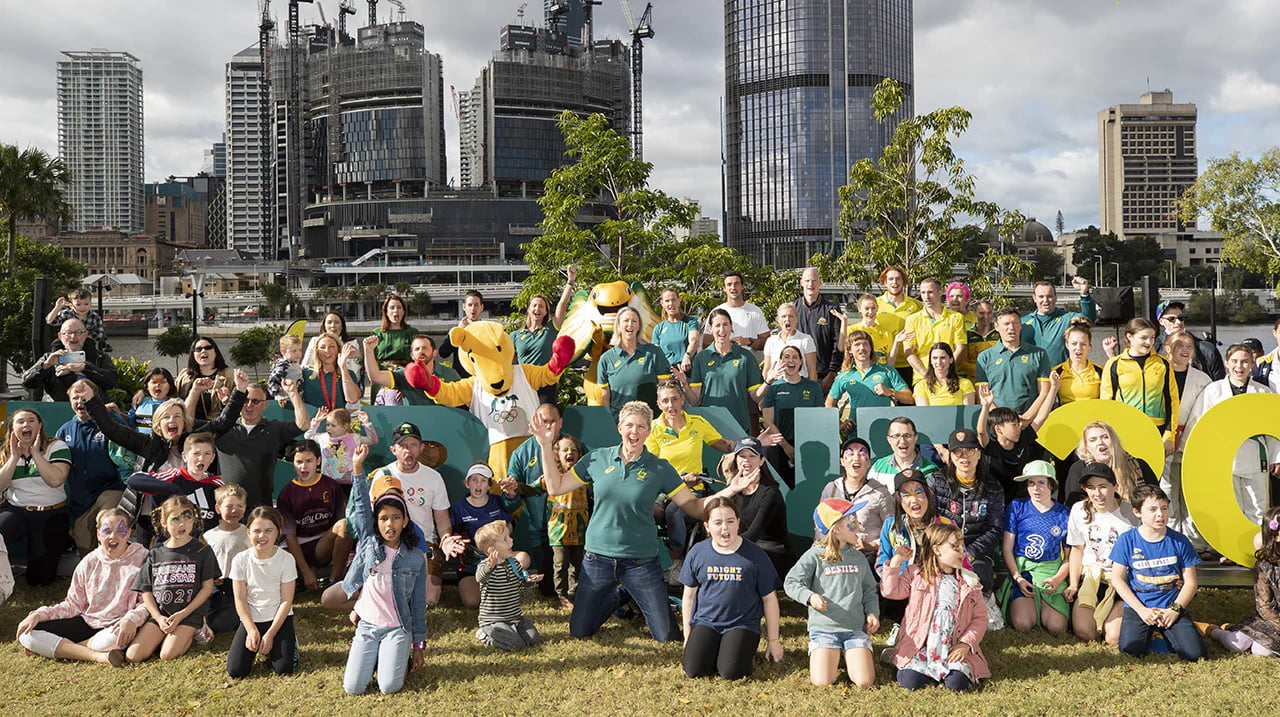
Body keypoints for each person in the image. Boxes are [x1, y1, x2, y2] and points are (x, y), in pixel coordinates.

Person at [530, 400, 753, 642]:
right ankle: (622, 595)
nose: (634, 431)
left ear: (648, 431)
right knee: (580, 631)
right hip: (597, 560)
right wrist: (545, 445)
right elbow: (556, 486)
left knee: (667, 636)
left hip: (641, 562)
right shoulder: (597, 459)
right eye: (629, 425)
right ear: (619, 428)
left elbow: (695, 507)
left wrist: (731, 490)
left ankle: (630, 590)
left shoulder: (660, 468)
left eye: (641, 426)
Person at [15, 507, 146, 666]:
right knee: (28, 634)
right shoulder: (88, 562)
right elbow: (72, 604)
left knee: (115, 638)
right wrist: (39, 615)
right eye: (107, 531)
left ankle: (65, 648)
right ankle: (98, 656)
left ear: (129, 532)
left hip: (118, 625)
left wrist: (131, 619)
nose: (113, 536)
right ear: (98, 534)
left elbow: (147, 603)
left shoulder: (143, 558)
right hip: (88, 621)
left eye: (121, 531)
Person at [340, 471, 426, 695]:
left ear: (405, 520)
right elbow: (361, 507)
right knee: (353, 688)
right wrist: (357, 470)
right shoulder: (370, 544)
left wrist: (418, 646)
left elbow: (418, 605)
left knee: (389, 687)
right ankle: (379, 656)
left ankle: (394, 656)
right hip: (368, 625)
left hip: (397, 628)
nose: (390, 524)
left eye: (396, 517)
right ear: (376, 522)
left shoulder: (416, 558)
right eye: (384, 518)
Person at [680, 497, 783, 680]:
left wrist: (773, 641)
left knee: (731, 672)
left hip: (741, 623)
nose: (725, 528)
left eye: (730, 521)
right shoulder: (698, 552)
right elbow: (689, 597)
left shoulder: (755, 555)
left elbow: (769, 599)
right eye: (718, 523)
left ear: (738, 523)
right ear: (707, 526)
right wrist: (688, 636)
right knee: (694, 670)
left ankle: (735, 651)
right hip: (707, 622)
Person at [881, 523, 989, 691]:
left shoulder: (970, 581)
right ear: (937, 550)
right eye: (955, 546)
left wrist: (965, 644)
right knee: (911, 682)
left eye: (962, 546)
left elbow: (980, 618)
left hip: (952, 647)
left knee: (957, 684)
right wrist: (896, 562)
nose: (962, 551)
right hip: (919, 647)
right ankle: (897, 657)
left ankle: (949, 671)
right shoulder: (915, 573)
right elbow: (890, 591)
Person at [784, 498, 879, 688]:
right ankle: (833, 653)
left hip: (854, 629)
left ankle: (847, 654)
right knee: (823, 681)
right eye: (851, 521)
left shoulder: (859, 558)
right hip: (824, 630)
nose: (858, 524)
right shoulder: (814, 555)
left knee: (864, 681)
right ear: (835, 528)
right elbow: (791, 582)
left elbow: (869, 590)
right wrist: (810, 597)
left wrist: (872, 613)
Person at [1183, 343, 1280, 529]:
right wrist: (1192, 456)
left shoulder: (1262, 392)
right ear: (1226, 363)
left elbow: (1273, 427)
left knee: (1258, 508)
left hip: (1255, 457)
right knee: (1228, 508)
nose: (1239, 366)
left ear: (1252, 364)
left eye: (1245, 361)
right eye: (1234, 361)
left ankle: (1258, 545)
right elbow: (1197, 424)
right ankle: (1230, 546)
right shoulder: (1213, 391)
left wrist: (1276, 457)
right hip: (1224, 458)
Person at [360, 422, 456, 607]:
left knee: (429, 599)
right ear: (394, 450)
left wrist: (446, 539)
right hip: (392, 543)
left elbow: (442, 519)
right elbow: (374, 518)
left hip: (424, 543)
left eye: (413, 445)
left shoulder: (433, 477)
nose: (408, 450)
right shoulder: (382, 475)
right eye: (403, 445)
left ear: (421, 448)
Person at [647, 380, 734, 578]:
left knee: (674, 511)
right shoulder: (653, 429)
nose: (671, 405)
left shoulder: (697, 423)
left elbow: (723, 444)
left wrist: (749, 444)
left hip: (694, 490)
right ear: (659, 404)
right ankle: (643, 563)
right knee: (648, 512)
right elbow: (653, 467)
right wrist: (680, 479)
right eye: (665, 401)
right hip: (663, 489)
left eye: (674, 399)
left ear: (682, 400)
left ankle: (677, 564)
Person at [87, 369, 248, 475]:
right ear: (157, 424)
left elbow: (222, 423)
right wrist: (90, 399)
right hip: (152, 511)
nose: (172, 420)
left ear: (184, 421)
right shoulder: (147, 443)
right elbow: (112, 430)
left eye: (177, 416)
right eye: (166, 417)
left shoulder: (194, 439)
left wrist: (240, 390)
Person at [1111, 483, 1206, 661]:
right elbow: (1117, 579)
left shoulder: (1179, 541)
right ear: (1137, 512)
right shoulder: (1127, 540)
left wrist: (1174, 610)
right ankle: (1157, 634)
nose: (1160, 514)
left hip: (1171, 605)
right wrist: (1141, 610)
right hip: (1140, 606)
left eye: (1164, 508)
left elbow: (1191, 583)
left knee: (1195, 655)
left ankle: (1176, 631)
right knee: (1131, 651)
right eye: (1152, 509)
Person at [130, 495, 220, 662]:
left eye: (187, 517)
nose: (181, 524)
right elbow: (146, 591)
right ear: (164, 522)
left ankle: (199, 629)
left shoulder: (203, 551)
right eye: (175, 519)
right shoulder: (155, 553)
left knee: (167, 655)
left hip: (189, 614)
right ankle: (165, 635)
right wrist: (158, 617)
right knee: (133, 656)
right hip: (163, 614)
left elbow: (207, 588)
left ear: (194, 519)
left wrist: (182, 614)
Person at [1063, 462, 1138, 644]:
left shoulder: (1131, 513)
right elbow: (1077, 549)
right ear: (1085, 489)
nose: (1097, 493)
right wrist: (1073, 584)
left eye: (1103, 486)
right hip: (1091, 576)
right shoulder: (1079, 509)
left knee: (1113, 637)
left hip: (1121, 578)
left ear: (1115, 486)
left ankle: (1116, 615)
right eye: (1091, 487)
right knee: (1085, 633)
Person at [0, 408, 72, 586]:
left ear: (39, 426)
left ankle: (65, 541)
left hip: (50, 512)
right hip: (16, 511)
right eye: (20, 421)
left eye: (31, 420)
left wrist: (36, 454)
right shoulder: (6, 452)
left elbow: (55, 480)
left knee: (39, 579)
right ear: (12, 429)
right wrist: (14, 457)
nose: (26, 424)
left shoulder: (56, 446)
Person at [996, 460, 1070, 634]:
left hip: (1051, 571)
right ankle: (1022, 600)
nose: (1036, 488)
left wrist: (1057, 579)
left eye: (1041, 483)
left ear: (1052, 484)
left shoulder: (1064, 514)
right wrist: (1018, 578)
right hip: (1023, 571)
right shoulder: (1017, 507)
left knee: (1057, 627)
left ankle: (1045, 604)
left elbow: (1069, 557)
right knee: (1023, 624)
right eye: (1031, 483)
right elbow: (1007, 548)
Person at [927, 429, 1004, 592]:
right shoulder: (936, 482)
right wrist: (949, 550)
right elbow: (929, 522)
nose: (964, 456)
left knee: (980, 577)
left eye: (970, 450)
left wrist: (970, 552)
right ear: (951, 455)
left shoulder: (993, 487)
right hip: (942, 551)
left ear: (979, 453)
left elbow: (995, 529)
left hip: (976, 553)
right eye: (958, 452)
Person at [226, 505, 298, 678]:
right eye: (257, 531)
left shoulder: (286, 559)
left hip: (278, 619)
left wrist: (271, 634)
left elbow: (286, 601)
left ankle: (290, 642)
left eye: (268, 530)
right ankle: (258, 642)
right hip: (252, 618)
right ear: (248, 532)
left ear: (278, 532)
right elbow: (240, 599)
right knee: (236, 671)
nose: (262, 536)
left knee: (284, 669)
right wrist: (251, 630)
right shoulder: (240, 560)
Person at [216, 379, 309, 510]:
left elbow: (303, 425)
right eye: (245, 400)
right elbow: (190, 428)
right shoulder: (223, 429)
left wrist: (293, 393)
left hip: (261, 508)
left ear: (265, 404)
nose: (249, 405)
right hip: (228, 508)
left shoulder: (273, 429)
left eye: (255, 401)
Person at [59, 378, 127, 554]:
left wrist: (111, 415)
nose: (80, 401)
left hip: (110, 488)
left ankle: (113, 568)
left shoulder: (109, 422)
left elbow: (128, 444)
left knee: (108, 526)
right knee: (85, 547)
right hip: (81, 498)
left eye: (84, 397)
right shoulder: (65, 430)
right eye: (75, 398)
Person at [1161, 329, 1214, 548]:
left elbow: (1209, 412)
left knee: (1191, 492)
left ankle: (1195, 542)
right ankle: (1171, 539)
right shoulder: (1158, 374)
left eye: (1189, 346)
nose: (1185, 350)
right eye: (1180, 345)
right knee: (1167, 491)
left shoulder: (1203, 379)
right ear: (1168, 348)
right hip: (1164, 440)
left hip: (1192, 440)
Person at [1205, 506, 1280, 657]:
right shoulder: (1265, 566)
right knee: (1238, 644)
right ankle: (1214, 631)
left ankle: (1237, 630)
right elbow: (1265, 605)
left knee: (1262, 651)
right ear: (1276, 535)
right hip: (1272, 620)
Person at [278, 440, 351, 590]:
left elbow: (343, 523)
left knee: (346, 525)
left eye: (309, 461)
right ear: (293, 463)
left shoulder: (331, 485)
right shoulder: (287, 493)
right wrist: (306, 572)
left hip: (323, 544)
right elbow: (290, 536)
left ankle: (335, 580)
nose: (303, 466)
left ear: (318, 461)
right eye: (299, 462)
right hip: (298, 546)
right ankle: (301, 577)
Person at [679, 308, 765, 434]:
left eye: (725, 325)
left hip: (738, 425)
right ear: (710, 328)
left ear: (731, 327)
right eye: (717, 325)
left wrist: (768, 381)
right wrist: (684, 385)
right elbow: (694, 401)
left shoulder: (745, 357)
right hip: (709, 427)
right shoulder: (701, 358)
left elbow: (756, 396)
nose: (722, 330)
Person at [1101, 317, 1179, 454]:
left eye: (1152, 338)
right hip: (1124, 429)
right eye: (1143, 338)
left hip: (1156, 428)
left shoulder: (1163, 363)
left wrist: (1169, 434)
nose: (1149, 342)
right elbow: (1106, 403)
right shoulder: (1114, 364)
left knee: (1153, 468)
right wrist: (1108, 434)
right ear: (1129, 336)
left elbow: (1172, 400)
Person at [126, 431, 226, 536]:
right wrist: (173, 489)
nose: (201, 458)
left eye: (207, 454)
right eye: (196, 453)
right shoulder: (173, 476)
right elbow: (133, 480)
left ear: (212, 458)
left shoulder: (217, 484)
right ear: (184, 456)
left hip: (204, 542)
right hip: (171, 540)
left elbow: (224, 517)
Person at [718, 437, 790, 576]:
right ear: (736, 460)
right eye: (742, 456)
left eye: (752, 456)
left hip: (773, 553)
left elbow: (753, 534)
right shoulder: (733, 490)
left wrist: (723, 549)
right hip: (743, 547)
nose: (746, 460)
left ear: (761, 460)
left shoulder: (771, 493)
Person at [449, 462, 514, 609]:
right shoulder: (459, 507)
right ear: (467, 484)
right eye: (474, 480)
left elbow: (508, 527)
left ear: (489, 485)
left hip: (498, 560)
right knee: (472, 602)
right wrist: (460, 544)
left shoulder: (497, 501)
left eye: (483, 480)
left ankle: (499, 584)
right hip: (471, 565)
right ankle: (479, 585)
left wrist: (501, 543)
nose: (478, 484)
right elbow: (455, 534)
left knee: (523, 559)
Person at [818, 437, 893, 565]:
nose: (856, 458)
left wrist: (872, 545)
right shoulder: (831, 489)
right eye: (850, 453)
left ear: (869, 462)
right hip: (835, 556)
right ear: (842, 461)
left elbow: (892, 529)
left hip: (868, 558)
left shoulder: (881, 493)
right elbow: (820, 526)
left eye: (862, 453)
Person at [825, 330, 912, 437]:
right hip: (856, 434)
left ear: (871, 348)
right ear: (849, 350)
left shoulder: (887, 371)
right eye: (857, 345)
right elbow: (829, 404)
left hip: (884, 432)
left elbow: (909, 398)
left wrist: (891, 392)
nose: (862, 348)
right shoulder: (843, 376)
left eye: (865, 344)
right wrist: (840, 425)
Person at [473, 520, 543, 651]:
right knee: (515, 644)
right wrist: (490, 567)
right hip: (494, 621)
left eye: (509, 537)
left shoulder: (514, 564)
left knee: (534, 639)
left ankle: (513, 631)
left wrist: (529, 580)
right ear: (492, 550)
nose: (511, 540)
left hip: (515, 617)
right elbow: (480, 577)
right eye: (505, 539)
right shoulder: (485, 566)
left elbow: (519, 584)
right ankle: (484, 634)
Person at [759, 345, 823, 489]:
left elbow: (819, 418)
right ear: (781, 362)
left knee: (807, 488)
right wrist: (785, 446)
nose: (791, 360)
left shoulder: (813, 387)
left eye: (795, 357)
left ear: (801, 361)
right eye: (786, 357)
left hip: (807, 447)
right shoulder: (773, 388)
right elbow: (768, 422)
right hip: (780, 446)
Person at [976, 384, 1052, 500]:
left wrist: (1054, 388)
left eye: (1018, 424)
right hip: (995, 499)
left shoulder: (1022, 439)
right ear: (998, 429)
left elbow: (1042, 416)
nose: (1018, 428)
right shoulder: (991, 447)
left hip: (1020, 499)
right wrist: (986, 406)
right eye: (1014, 425)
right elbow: (981, 432)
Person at [975, 307, 1051, 420]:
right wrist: (1002, 419)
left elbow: (1044, 392)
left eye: (1015, 323)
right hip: (997, 423)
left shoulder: (1039, 354)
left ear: (1020, 326)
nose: (1011, 327)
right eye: (1006, 324)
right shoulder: (985, 357)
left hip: (1031, 422)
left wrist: (1026, 418)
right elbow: (982, 395)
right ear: (996, 327)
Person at [875, 468, 954, 575]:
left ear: (928, 494)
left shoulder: (946, 525)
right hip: (901, 582)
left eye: (918, 493)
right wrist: (895, 568)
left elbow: (962, 562)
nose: (914, 500)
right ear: (899, 500)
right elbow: (881, 565)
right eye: (906, 495)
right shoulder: (890, 525)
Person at [1060, 421, 1159, 506]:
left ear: (1114, 441)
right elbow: (1073, 505)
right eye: (1093, 440)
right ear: (1087, 447)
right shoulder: (1079, 469)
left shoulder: (1138, 466)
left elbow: (1157, 499)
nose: (1100, 442)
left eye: (1105, 437)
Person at [598, 305, 672, 416]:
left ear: (639, 326)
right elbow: (605, 396)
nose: (630, 324)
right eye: (626, 321)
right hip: (619, 421)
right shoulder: (606, 359)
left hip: (650, 421)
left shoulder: (654, 353)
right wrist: (607, 421)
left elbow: (665, 389)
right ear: (618, 326)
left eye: (634, 321)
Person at [22, 317, 118, 401]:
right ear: (60, 336)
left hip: (92, 409)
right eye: (68, 333)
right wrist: (45, 365)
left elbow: (111, 381)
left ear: (85, 335)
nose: (73, 337)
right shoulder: (50, 357)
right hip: (57, 408)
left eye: (78, 332)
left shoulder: (99, 357)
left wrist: (85, 368)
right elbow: (27, 382)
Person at [545, 435, 589, 610]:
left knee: (578, 565)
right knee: (560, 564)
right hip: (558, 531)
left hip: (580, 530)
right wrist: (515, 487)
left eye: (573, 450)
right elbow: (532, 487)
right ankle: (561, 596)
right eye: (565, 450)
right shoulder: (551, 477)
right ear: (557, 455)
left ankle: (574, 594)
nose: (570, 452)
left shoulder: (585, 478)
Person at [364, 333, 460, 406]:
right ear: (412, 355)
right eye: (417, 349)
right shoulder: (403, 375)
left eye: (425, 348)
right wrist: (368, 349)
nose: (421, 351)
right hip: (413, 425)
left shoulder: (450, 374)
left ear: (434, 352)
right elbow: (376, 377)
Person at [205, 483, 250, 634]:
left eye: (239, 506)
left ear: (245, 507)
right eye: (229, 506)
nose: (234, 511)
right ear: (218, 509)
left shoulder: (249, 534)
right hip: (215, 586)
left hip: (240, 586)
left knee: (222, 625)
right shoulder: (209, 536)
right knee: (210, 619)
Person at [1020, 277, 1095, 367]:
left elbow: (1088, 318)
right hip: (1031, 374)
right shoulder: (1023, 322)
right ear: (1034, 298)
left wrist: (1084, 294)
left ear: (1056, 297)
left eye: (1049, 296)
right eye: (1041, 297)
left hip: (1060, 374)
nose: (1045, 300)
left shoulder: (1066, 318)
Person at [903, 278, 967, 381]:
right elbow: (908, 351)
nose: (926, 297)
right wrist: (926, 375)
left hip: (948, 377)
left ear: (940, 293)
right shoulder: (912, 319)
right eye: (923, 293)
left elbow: (960, 348)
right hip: (922, 378)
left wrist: (945, 373)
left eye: (930, 292)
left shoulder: (956, 318)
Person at [793, 267, 844, 392]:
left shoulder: (831, 310)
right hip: (797, 375)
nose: (811, 284)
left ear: (820, 282)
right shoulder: (793, 309)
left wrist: (832, 372)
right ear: (801, 282)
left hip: (823, 377)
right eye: (807, 281)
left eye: (814, 280)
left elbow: (838, 342)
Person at [306, 407, 378, 489]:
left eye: (333, 425)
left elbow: (372, 440)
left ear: (345, 426)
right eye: (327, 425)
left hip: (349, 483)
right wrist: (316, 421)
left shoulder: (354, 438)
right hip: (328, 482)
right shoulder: (323, 437)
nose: (329, 428)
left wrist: (366, 423)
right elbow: (308, 436)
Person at [1153, 300, 1225, 381]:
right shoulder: (1154, 348)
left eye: (1181, 318)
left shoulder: (1207, 349)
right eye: (1171, 319)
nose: (1178, 322)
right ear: (1161, 321)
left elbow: (1219, 383)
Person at [512, 294, 561, 405]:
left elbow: (561, 305)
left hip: (545, 384)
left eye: (541, 306)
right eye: (534, 305)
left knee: (545, 414)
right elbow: (509, 361)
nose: (537, 308)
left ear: (546, 312)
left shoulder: (550, 329)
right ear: (528, 309)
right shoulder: (516, 335)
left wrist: (570, 284)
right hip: (523, 383)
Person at [867, 417, 939, 490]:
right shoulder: (877, 468)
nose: (902, 441)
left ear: (915, 438)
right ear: (889, 440)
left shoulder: (931, 470)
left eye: (907, 436)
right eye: (897, 436)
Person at [839, 293, 905, 368]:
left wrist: (896, 342)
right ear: (859, 308)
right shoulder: (852, 330)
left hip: (879, 373)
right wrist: (844, 323)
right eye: (867, 308)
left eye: (873, 308)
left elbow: (890, 363)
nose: (870, 312)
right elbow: (841, 348)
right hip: (858, 372)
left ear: (877, 308)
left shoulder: (886, 333)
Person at [176, 336, 235, 422]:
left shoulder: (230, 375)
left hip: (218, 425)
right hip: (189, 424)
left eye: (208, 348)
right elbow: (173, 398)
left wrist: (227, 402)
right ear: (193, 354)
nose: (203, 351)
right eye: (198, 349)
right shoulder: (185, 376)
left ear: (215, 351)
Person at [708, 271, 770, 351]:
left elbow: (767, 342)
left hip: (749, 358)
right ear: (724, 288)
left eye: (736, 284)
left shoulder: (755, 311)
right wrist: (725, 343)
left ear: (742, 286)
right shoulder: (716, 312)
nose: (733, 287)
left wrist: (749, 341)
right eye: (729, 284)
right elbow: (706, 343)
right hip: (723, 358)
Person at [302, 334, 362, 410]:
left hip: (339, 417)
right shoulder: (306, 373)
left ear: (338, 349)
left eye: (332, 346)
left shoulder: (348, 374)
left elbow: (352, 399)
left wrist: (343, 368)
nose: (327, 350)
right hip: (313, 417)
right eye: (322, 347)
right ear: (317, 351)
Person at [762, 303, 818, 380]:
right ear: (778, 319)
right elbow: (766, 370)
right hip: (776, 384)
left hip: (800, 384)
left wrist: (812, 387)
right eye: (783, 316)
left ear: (796, 319)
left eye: (791, 316)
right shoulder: (771, 341)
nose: (787, 319)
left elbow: (812, 371)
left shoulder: (806, 340)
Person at [438, 289, 486, 378]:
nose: (473, 308)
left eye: (476, 305)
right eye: (470, 305)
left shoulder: (487, 330)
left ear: (481, 307)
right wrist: (459, 330)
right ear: (464, 307)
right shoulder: (456, 330)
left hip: (481, 378)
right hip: (460, 379)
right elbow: (443, 353)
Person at [1052, 320, 1103, 404]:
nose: (1078, 348)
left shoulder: (1100, 371)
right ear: (1067, 345)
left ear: (1089, 346)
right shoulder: (1056, 372)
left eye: (1083, 344)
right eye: (1074, 344)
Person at [654, 287, 702, 374]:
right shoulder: (658, 328)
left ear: (678, 301)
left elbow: (694, 341)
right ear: (662, 303)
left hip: (688, 372)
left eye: (673, 300)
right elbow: (656, 353)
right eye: (667, 301)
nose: (671, 303)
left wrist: (687, 356)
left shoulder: (690, 322)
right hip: (667, 373)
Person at [370, 294, 416, 367]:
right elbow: (370, 358)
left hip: (405, 371)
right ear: (386, 312)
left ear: (403, 311)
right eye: (392, 308)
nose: (396, 310)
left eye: (399, 307)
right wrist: (358, 356)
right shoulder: (376, 333)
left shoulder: (412, 332)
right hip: (381, 371)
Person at [129, 367, 178, 433]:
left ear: (170, 386)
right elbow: (130, 423)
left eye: (163, 382)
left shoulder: (177, 403)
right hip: (141, 438)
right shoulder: (140, 402)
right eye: (154, 382)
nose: (158, 385)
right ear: (147, 386)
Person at [958, 300, 997, 379]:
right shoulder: (968, 335)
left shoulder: (1000, 333)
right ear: (974, 313)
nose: (986, 316)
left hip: (996, 378)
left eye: (989, 313)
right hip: (974, 380)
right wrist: (980, 371)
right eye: (982, 313)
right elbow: (962, 363)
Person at [267, 334, 305, 405]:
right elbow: (272, 382)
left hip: (296, 400)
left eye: (300, 350)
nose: (298, 353)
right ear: (283, 352)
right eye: (294, 351)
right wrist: (278, 396)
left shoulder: (295, 364)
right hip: (285, 401)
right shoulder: (283, 365)